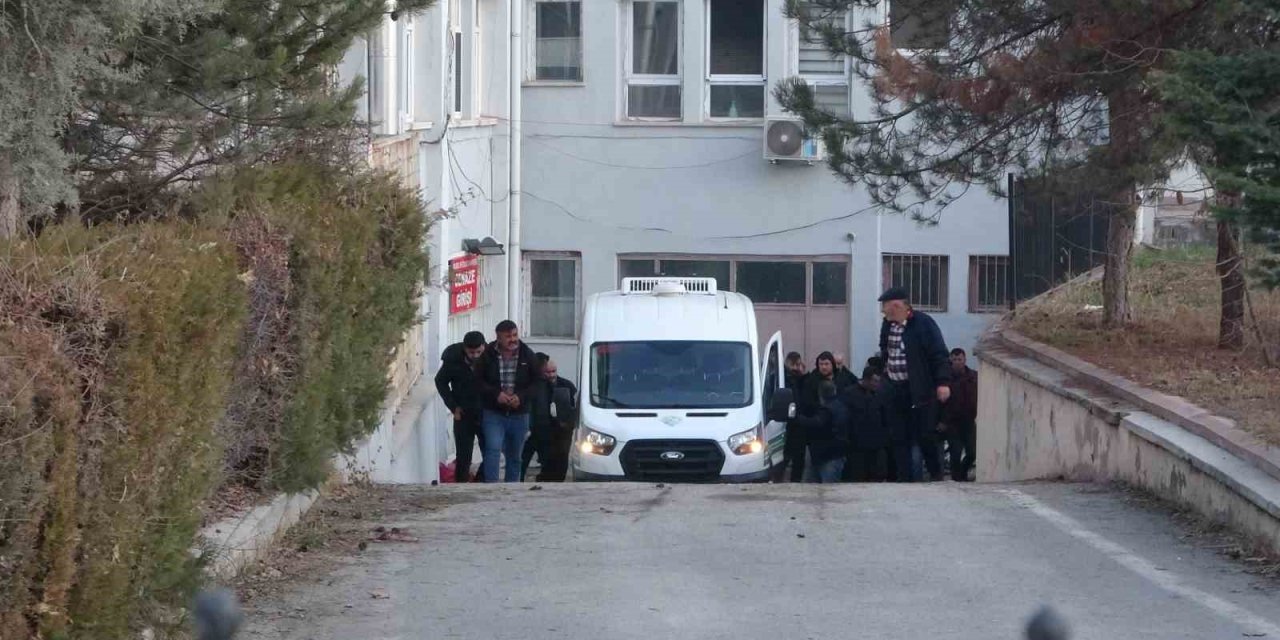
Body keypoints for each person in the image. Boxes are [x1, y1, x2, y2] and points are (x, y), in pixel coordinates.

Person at [878, 286, 952, 482]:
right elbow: (885, 350)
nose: (883, 311)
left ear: (896, 305)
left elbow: (939, 355)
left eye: (885, 307)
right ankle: (904, 480)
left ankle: (936, 476)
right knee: (898, 437)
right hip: (895, 389)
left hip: (919, 391)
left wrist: (943, 382)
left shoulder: (923, 324)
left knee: (925, 436)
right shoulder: (887, 326)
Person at [475, 320, 540, 483]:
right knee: (493, 449)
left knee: (515, 456)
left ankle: (512, 490)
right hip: (494, 413)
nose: (513, 339)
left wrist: (521, 397)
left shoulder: (527, 354)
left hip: (519, 414)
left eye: (515, 335)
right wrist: (496, 394)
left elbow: (537, 382)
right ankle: (492, 488)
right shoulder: (488, 355)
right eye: (508, 336)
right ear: (498, 338)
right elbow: (477, 381)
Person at [434, 331, 487, 482]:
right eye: (471, 352)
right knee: (463, 456)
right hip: (463, 413)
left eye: (479, 352)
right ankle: (461, 486)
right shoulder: (453, 360)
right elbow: (440, 381)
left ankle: (482, 482)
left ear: (484, 347)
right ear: (464, 349)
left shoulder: (491, 358)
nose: (475, 356)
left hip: (487, 413)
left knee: (490, 452)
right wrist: (453, 406)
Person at [523, 355, 578, 482]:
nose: (551, 375)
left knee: (560, 458)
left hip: (561, 430)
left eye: (553, 371)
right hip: (539, 428)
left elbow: (574, 406)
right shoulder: (537, 386)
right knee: (528, 457)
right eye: (548, 372)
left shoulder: (566, 385)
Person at [844, 367, 891, 482]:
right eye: (875, 381)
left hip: (877, 446)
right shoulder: (850, 393)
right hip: (857, 448)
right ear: (866, 380)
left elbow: (885, 418)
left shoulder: (880, 394)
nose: (877, 384)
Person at [800, 380, 850, 483]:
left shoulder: (827, 410)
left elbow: (818, 423)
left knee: (827, 491)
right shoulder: (840, 406)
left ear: (820, 394)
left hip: (828, 457)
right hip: (832, 455)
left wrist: (798, 419)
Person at [940, 348, 978, 482]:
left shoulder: (974, 377)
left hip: (968, 421)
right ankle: (957, 480)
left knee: (972, 452)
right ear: (950, 360)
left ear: (964, 360)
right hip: (952, 423)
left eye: (959, 359)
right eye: (954, 359)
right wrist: (942, 421)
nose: (957, 362)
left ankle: (962, 474)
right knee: (955, 454)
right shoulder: (945, 379)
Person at [778, 351, 808, 482]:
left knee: (797, 459)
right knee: (784, 458)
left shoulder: (799, 379)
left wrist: (802, 375)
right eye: (795, 365)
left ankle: (794, 481)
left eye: (798, 365)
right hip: (786, 423)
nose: (796, 368)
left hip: (797, 424)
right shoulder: (782, 377)